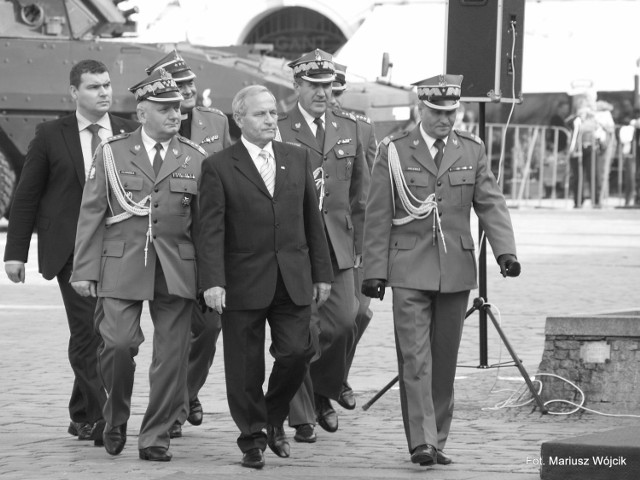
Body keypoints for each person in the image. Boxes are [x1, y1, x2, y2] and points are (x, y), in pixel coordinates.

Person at [361, 74, 520, 467]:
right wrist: (374, 271)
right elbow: (378, 214)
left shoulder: (471, 149)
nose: (446, 119)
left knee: (444, 362)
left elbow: (490, 205)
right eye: (437, 112)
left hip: (455, 269)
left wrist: (506, 253)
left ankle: (438, 438)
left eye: (452, 112)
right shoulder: (395, 151)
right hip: (408, 267)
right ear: (421, 108)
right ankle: (422, 441)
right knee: (415, 359)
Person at [70, 68, 206, 462]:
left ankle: (156, 436)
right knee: (117, 344)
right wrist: (83, 270)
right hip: (122, 263)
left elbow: (206, 225)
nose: (174, 115)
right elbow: (91, 213)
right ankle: (114, 417)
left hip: (177, 267)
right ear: (143, 112)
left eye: (177, 108)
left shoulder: (195, 157)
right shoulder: (111, 152)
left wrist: (211, 279)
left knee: (172, 356)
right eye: (164, 108)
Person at [3, 59, 138, 444]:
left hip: (119, 251)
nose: (104, 93)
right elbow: (26, 194)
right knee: (88, 334)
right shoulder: (50, 134)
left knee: (111, 336)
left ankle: (81, 413)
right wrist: (15, 253)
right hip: (70, 251)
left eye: (107, 85)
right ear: (74, 93)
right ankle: (102, 418)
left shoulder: (129, 133)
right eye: (94, 87)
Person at [199, 85, 333, 469]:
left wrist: (322, 274)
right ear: (238, 119)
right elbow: (210, 230)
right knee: (244, 367)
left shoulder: (296, 157)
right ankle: (252, 439)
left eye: (273, 113)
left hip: (292, 277)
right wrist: (212, 280)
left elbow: (313, 220)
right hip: (241, 281)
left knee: (298, 351)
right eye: (260, 114)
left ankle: (273, 417)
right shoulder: (219, 166)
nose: (271, 120)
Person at [277, 48, 369, 442]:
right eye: (313, 85)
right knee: (303, 330)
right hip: (296, 244)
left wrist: (362, 250)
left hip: (338, 242)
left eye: (326, 85)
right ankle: (301, 416)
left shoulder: (348, 127)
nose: (321, 92)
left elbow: (360, 196)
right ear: (296, 85)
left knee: (346, 321)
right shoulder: (280, 128)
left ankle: (321, 389)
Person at [145, 49, 231, 439]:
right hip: (167, 249)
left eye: (191, 82)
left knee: (210, 327)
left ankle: (186, 392)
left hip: (210, 245)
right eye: (180, 86)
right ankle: (173, 405)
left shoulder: (216, 122)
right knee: (174, 334)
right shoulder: (152, 131)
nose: (190, 90)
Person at [329, 61, 377, 410]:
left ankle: (335, 373)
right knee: (319, 322)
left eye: (336, 91)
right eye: (325, 90)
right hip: (313, 239)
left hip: (350, 239)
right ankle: (319, 388)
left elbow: (367, 194)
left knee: (358, 315)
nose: (330, 97)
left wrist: (366, 246)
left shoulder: (359, 128)